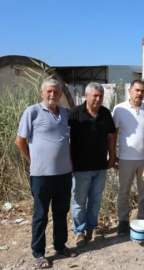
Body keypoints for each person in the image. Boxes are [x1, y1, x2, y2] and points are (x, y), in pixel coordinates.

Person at [15, 79, 78, 269]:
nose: (53, 95)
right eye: (49, 91)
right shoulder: (32, 112)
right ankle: (38, 253)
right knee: (40, 215)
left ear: (60, 94)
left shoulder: (65, 114)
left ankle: (60, 246)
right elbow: (20, 141)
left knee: (61, 212)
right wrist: (33, 161)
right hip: (41, 175)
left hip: (64, 174)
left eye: (56, 92)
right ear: (42, 92)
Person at [68, 82, 116, 246]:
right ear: (86, 96)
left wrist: (112, 157)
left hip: (100, 166)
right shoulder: (74, 113)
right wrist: (68, 161)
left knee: (96, 199)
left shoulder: (105, 113)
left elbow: (111, 136)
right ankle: (79, 232)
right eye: (95, 95)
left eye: (100, 96)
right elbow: (64, 139)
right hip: (80, 167)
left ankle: (93, 227)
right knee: (79, 202)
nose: (98, 99)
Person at [112, 79, 144, 235]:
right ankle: (123, 222)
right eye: (137, 90)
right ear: (129, 91)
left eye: (142, 91)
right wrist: (112, 156)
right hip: (126, 158)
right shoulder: (119, 109)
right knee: (124, 191)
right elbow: (113, 134)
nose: (140, 93)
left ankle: (143, 219)